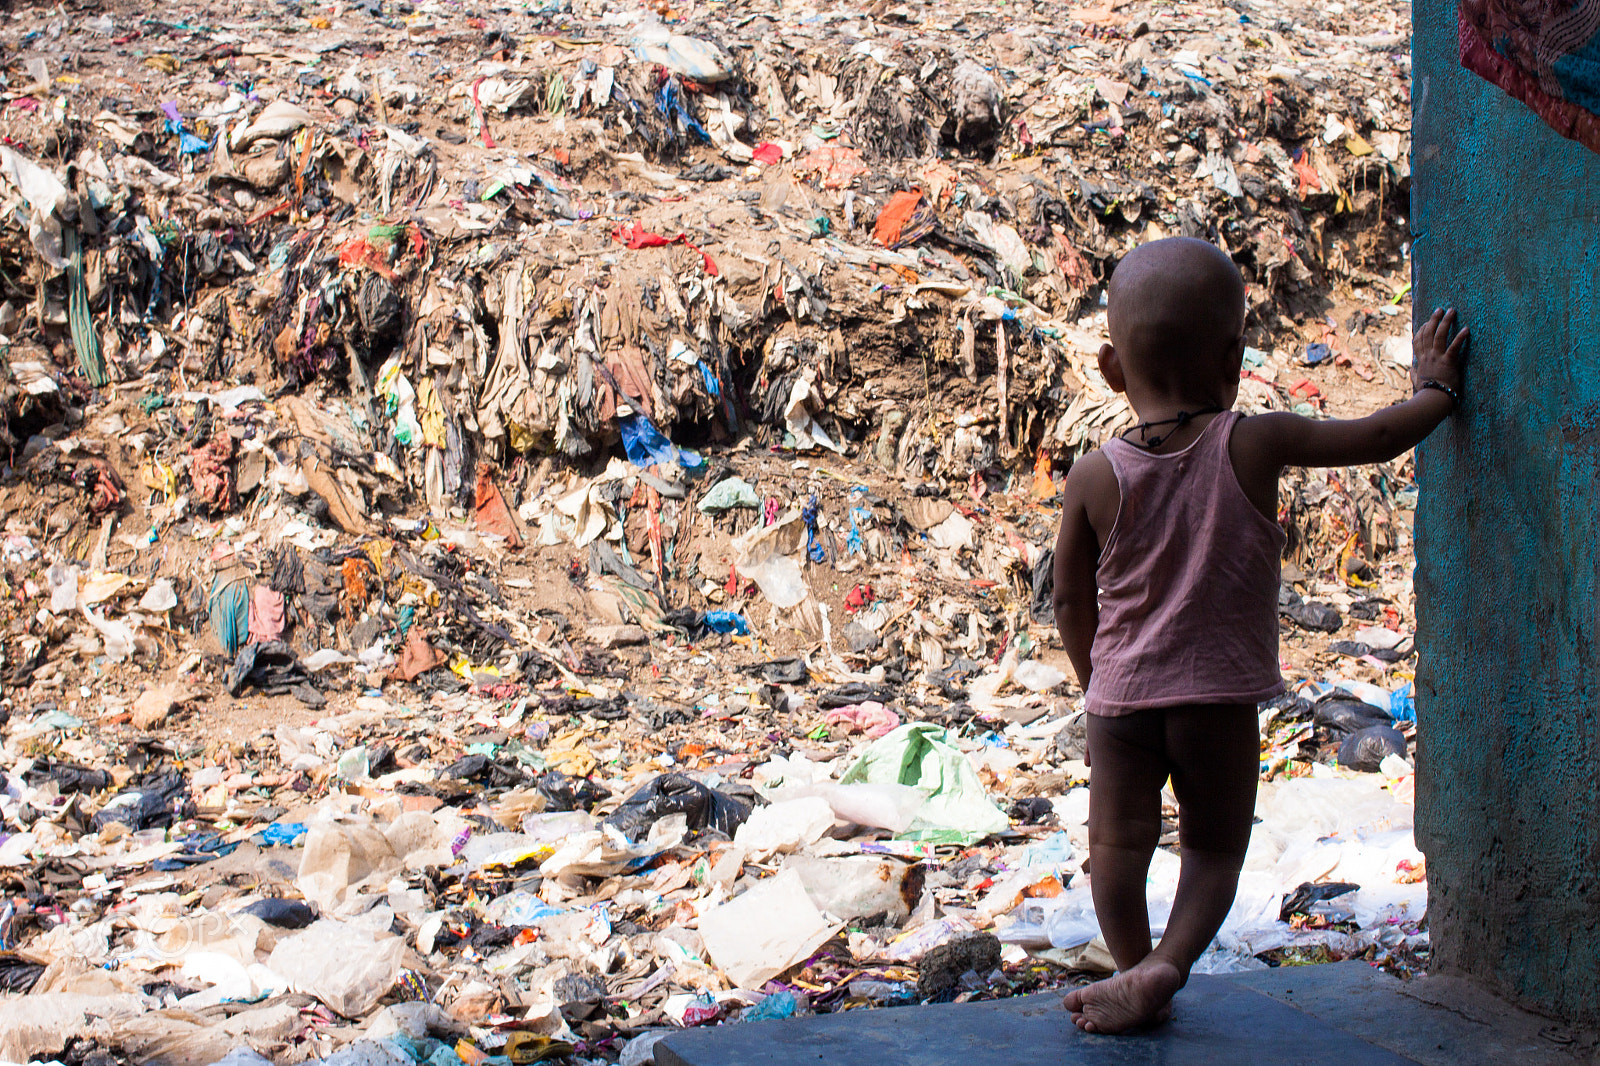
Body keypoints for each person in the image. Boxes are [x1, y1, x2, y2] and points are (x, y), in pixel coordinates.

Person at [1052, 237, 1467, 1034]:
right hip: (1215, 697)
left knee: (1117, 845)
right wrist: (1437, 390)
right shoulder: (1253, 440)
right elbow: (1376, 437)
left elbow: (1070, 599)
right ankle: (1168, 966)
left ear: (1111, 370)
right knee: (1212, 850)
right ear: (1235, 357)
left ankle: (1132, 965)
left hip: (1121, 702)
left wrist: (1096, 682)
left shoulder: (1095, 473)